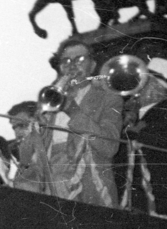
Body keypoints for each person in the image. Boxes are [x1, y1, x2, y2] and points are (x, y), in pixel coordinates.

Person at [38, 38, 123, 207]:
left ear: (92, 66)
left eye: (80, 60)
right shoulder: (52, 98)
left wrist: (72, 110)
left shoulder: (108, 97)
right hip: (52, 183)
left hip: (90, 186)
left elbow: (110, 146)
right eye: (66, 61)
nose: (72, 65)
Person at [119, 57, 167, 218]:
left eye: (142, 82)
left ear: (155, 88)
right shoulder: (147, 116)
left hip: (153, 203)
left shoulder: (166, 118)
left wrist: (127, 128)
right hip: (144, 199)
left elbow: (140, 146)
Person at [2, 101, 43, 192]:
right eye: (14, 127)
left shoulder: (48, 144)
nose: (17, 132)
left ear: (37, 121)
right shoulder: (13, 149)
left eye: (22, 125)